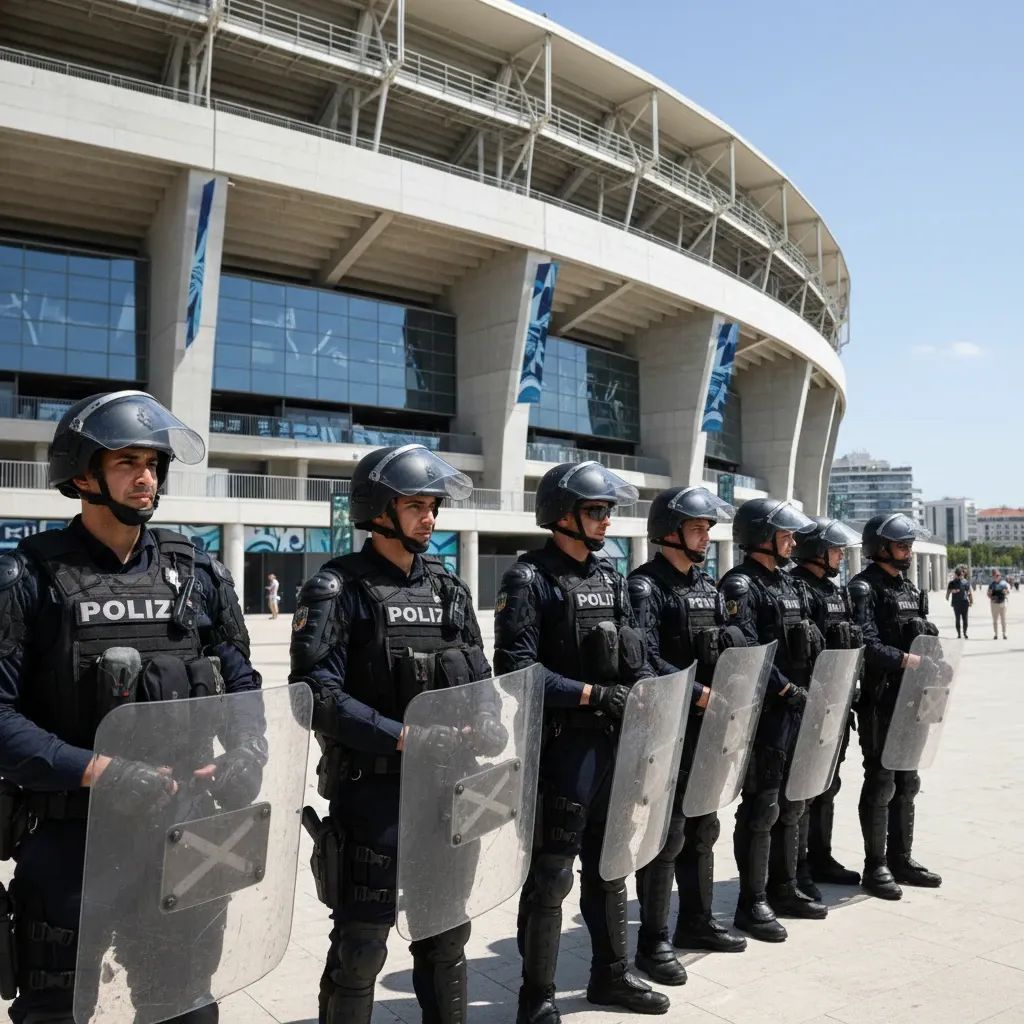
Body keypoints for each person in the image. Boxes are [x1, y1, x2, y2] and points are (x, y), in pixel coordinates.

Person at [0, 390, 263, 1024]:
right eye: (127, 462)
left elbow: (243, 679)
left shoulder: (197, 571)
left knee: (186, 1007)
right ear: (84, 475)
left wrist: (249, 749)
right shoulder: (28, 577)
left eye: (153, 462)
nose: (146, 477)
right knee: (56, 1011)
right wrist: (99, 771)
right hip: (73, 836)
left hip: (185, 830)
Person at [289, 444, 492, 1024]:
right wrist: (402, 736)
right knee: (361, 944)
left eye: (433, 505)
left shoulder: (449, 589)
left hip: (447, 789)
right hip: (374, 791)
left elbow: (479, 676)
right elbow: (316, 695)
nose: (429, 517)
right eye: (416, 505)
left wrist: (491, 722)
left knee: (447, 933)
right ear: (380, 509)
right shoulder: (338, 588)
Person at [494, 461, 669, 1023]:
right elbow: (516, 668)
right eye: (596, 511)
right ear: (562, 515)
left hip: (615, 742)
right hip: (563, 745)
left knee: (610, 863)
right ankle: (536, 996)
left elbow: (634, 650)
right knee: (552, 872)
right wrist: (593, 694)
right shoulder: (530, 578)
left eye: (608, 512)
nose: (606, 522)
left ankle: (611, 975)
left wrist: (644, 692)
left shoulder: (610, 576)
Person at [627, 486, 748, 984]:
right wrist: (694, 691)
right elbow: (644, 658)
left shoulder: (705, 584)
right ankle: (653, 941)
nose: (706, 537)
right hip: (666, 728)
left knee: (702, 824)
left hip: (708, 725)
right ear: (671, 531)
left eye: (707, 529)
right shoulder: (644, 587)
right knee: (666, 833)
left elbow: (727, 640)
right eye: (698, 528)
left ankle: (697, 921)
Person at [718, 497, 823, 942]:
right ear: (762, 537)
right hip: (766, 714)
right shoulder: (741, 585)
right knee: (762, 806)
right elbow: (750, 651)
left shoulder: (787, 583)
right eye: (785, 535)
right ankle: (752, 900)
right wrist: (785, 688)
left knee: (792, 801)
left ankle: (785, 885)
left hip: (798, 708)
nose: (793, 542)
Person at [848, 512, 941, 900]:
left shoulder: (909, 589)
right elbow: (865, 642)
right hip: (881, 696)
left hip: (913, 696)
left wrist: (938, 660)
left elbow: (924, 635)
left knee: (908, 780)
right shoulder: (864, 588)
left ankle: (901, 857)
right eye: (902, 545)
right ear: (881, 547)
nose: (908, 552)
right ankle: (876, 866)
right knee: (882, 780)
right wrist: (905, 660)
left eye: (909, 546)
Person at [787, 517, 867, 895]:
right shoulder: (799, 589)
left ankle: (821, 856)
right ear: (817, 551)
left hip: (837, 705)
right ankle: (798, 865)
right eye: (835, 549)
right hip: (809, 706)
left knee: (827, 785)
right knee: (803, 787)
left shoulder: (836, 591)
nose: (840, 556)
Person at [945, 567, 972, 638]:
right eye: (959, 575)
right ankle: (959, 634)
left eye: (962, 575)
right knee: (957, 619)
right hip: (956, 604)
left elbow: (969, 592)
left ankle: (965, 632)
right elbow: (947, 593)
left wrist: (971, 601)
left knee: (965, 619)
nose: (961, 576)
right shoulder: (952, 583)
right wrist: (951, 591)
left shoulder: (966, 582)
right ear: (956, 575)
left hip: (964, 603)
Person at [988, 569, 1009, 640]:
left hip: (1002, 603)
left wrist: (1005, 592)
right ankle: (996, 634)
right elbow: (988, 594)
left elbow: (1007, 592)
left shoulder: (1004, 583)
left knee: (1003, 619)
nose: (996, 576)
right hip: (994, 604)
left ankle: (1004, 633)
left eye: (998, 575)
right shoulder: (991, 585)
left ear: (1000, 576)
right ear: (993, 576)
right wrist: (990, 594)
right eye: (995, 575)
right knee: (995, 620)